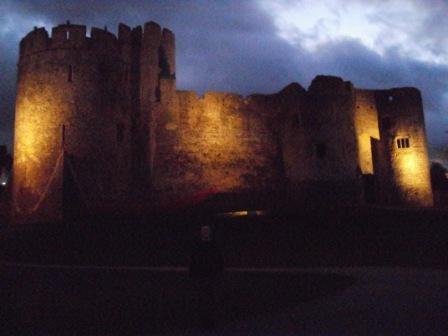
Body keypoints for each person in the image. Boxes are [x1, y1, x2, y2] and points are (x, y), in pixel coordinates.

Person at [189, 225, 224, 329]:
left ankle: (211, 320)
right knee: (201, 299)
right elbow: (193, 259)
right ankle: (202, 320)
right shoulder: (197, 245)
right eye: (203, 230)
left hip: (211, 275)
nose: (205, 232)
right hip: (201, 275)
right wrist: (193, 272)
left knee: (211, 298)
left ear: (209, 232)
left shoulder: (214, 244)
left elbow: (219, 258)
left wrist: (218, 270)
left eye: (207, 231)